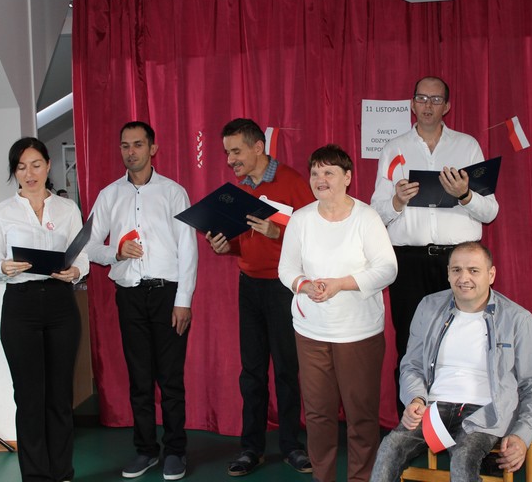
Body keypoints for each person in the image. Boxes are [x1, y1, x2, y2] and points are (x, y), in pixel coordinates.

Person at [370, 76, 500, 416]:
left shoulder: (467, 146)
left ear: (447, 106)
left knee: (465, 343)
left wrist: (465, 194)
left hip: (457, 263)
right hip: (408, 262)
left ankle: (464, 425)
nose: (428, 105)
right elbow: (375, 213)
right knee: (409, 344)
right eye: (422, 98)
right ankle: (412, 427)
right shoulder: (394, 148)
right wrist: (397, 201)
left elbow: (490, 211)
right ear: (412, 104)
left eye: (436, 99)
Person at [370, 241, 532, 482]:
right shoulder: (428, 307)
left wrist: (522, 434)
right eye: (456, 270)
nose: (464, 278)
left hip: (486, 413)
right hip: (434, 409)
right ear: (448, 273)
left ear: (491, 274)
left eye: (473, 270)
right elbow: (412, 365)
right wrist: (415, 398)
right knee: (390, 448)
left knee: (464, 458)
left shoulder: (518, 319)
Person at [278, 144, 398, 482]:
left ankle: (361, 477)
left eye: (328, 172)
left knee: (361, 416)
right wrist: (304, 285)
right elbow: (286, 268)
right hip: (311, 333)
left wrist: (341, 284)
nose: (320, 178)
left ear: (347, 177)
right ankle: (323, 477)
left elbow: (387, 269)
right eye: (315, 172)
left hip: (358, 334)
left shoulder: (367, 218)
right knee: (318, 415)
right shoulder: (301, 219)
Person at [85, 121, 197, 481]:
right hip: (130, 294)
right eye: (125, 145)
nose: (130, 151)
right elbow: (89, 246)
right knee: (139, 379)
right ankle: (146, 450)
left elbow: (188, 248)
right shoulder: (109, 195)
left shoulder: (173, 192)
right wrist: (116, 253)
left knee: (171, 379)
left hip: (167, 295)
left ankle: (175, 451)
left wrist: (183, 300)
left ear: (153, 149)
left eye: (137, 144)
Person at [205, 118, 314, 477]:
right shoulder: (237, 191)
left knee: (286, 369)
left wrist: (277, 232)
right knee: (251, 372)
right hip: (248, 286)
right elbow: (241, 242)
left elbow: (315, 237)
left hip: (283, 288)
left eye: (236, 151)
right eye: (227, 153)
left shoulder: (292, 181)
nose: (230, 160)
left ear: (257, 147)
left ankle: (292, 446)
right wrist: (226, 246)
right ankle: (251, 448)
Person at [0, 137, 89, 482]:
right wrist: (4, 267)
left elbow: (82, 255)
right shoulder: (0, 212)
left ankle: (62, 472)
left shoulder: (67, 208)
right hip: (21, 305)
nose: (29, 174)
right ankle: (36, 476)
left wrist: (76, 271)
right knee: (29, 398)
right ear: (14, 172)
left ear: (48, 166)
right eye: (21, 167)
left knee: (60, 395)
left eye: (36, 165)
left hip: (60, 304)